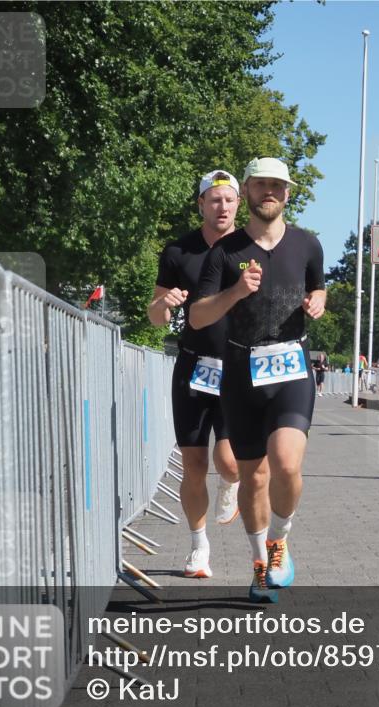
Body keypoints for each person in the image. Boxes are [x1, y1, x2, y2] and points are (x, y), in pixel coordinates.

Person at [190, 157, 326, 604]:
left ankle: (280, 540)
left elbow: (317, 284)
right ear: (248, 190)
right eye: (262, 184)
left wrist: (318, 300)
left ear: (288, 194)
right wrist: (235, 292)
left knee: (286, 463)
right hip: (240, 372)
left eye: (278, 186)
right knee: (254, 478)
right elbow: (196, 316)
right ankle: (258, 565)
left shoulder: (308, 244)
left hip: (291, 368)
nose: (270, 191)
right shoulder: (224, 253)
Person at [148, 170, 242, 579]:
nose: (222, 207)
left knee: (229, 461)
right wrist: (164, 303)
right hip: (193, 364)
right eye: (214, 200)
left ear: (239, 204)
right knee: (193, 463)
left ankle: (232, 484)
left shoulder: (251, 247)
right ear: (201, 204)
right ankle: (198, 546)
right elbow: (155, 317)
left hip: (238, 367)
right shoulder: (178, 251)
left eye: (229, 199)